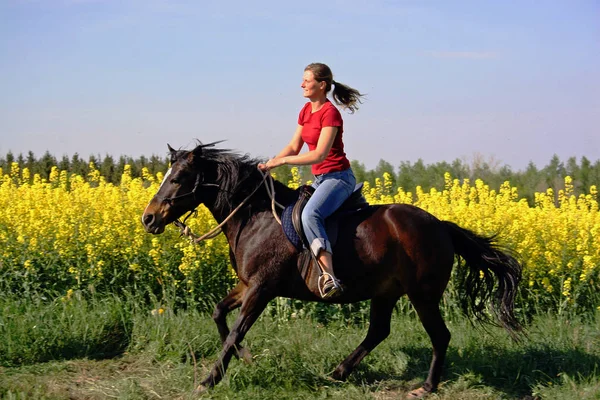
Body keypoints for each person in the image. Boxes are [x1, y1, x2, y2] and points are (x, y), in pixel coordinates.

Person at [258, 62, 364, 298]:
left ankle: (328, 276)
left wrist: (283, 163)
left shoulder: (330, 113)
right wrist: (270, 163)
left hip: (338, 178)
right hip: (320, 179)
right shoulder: (306, 110)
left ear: (322, 84)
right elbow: (295, 146)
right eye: (303, 79)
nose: (302, 84)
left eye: (307, 80)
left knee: (310, 214)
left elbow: (319, 154)